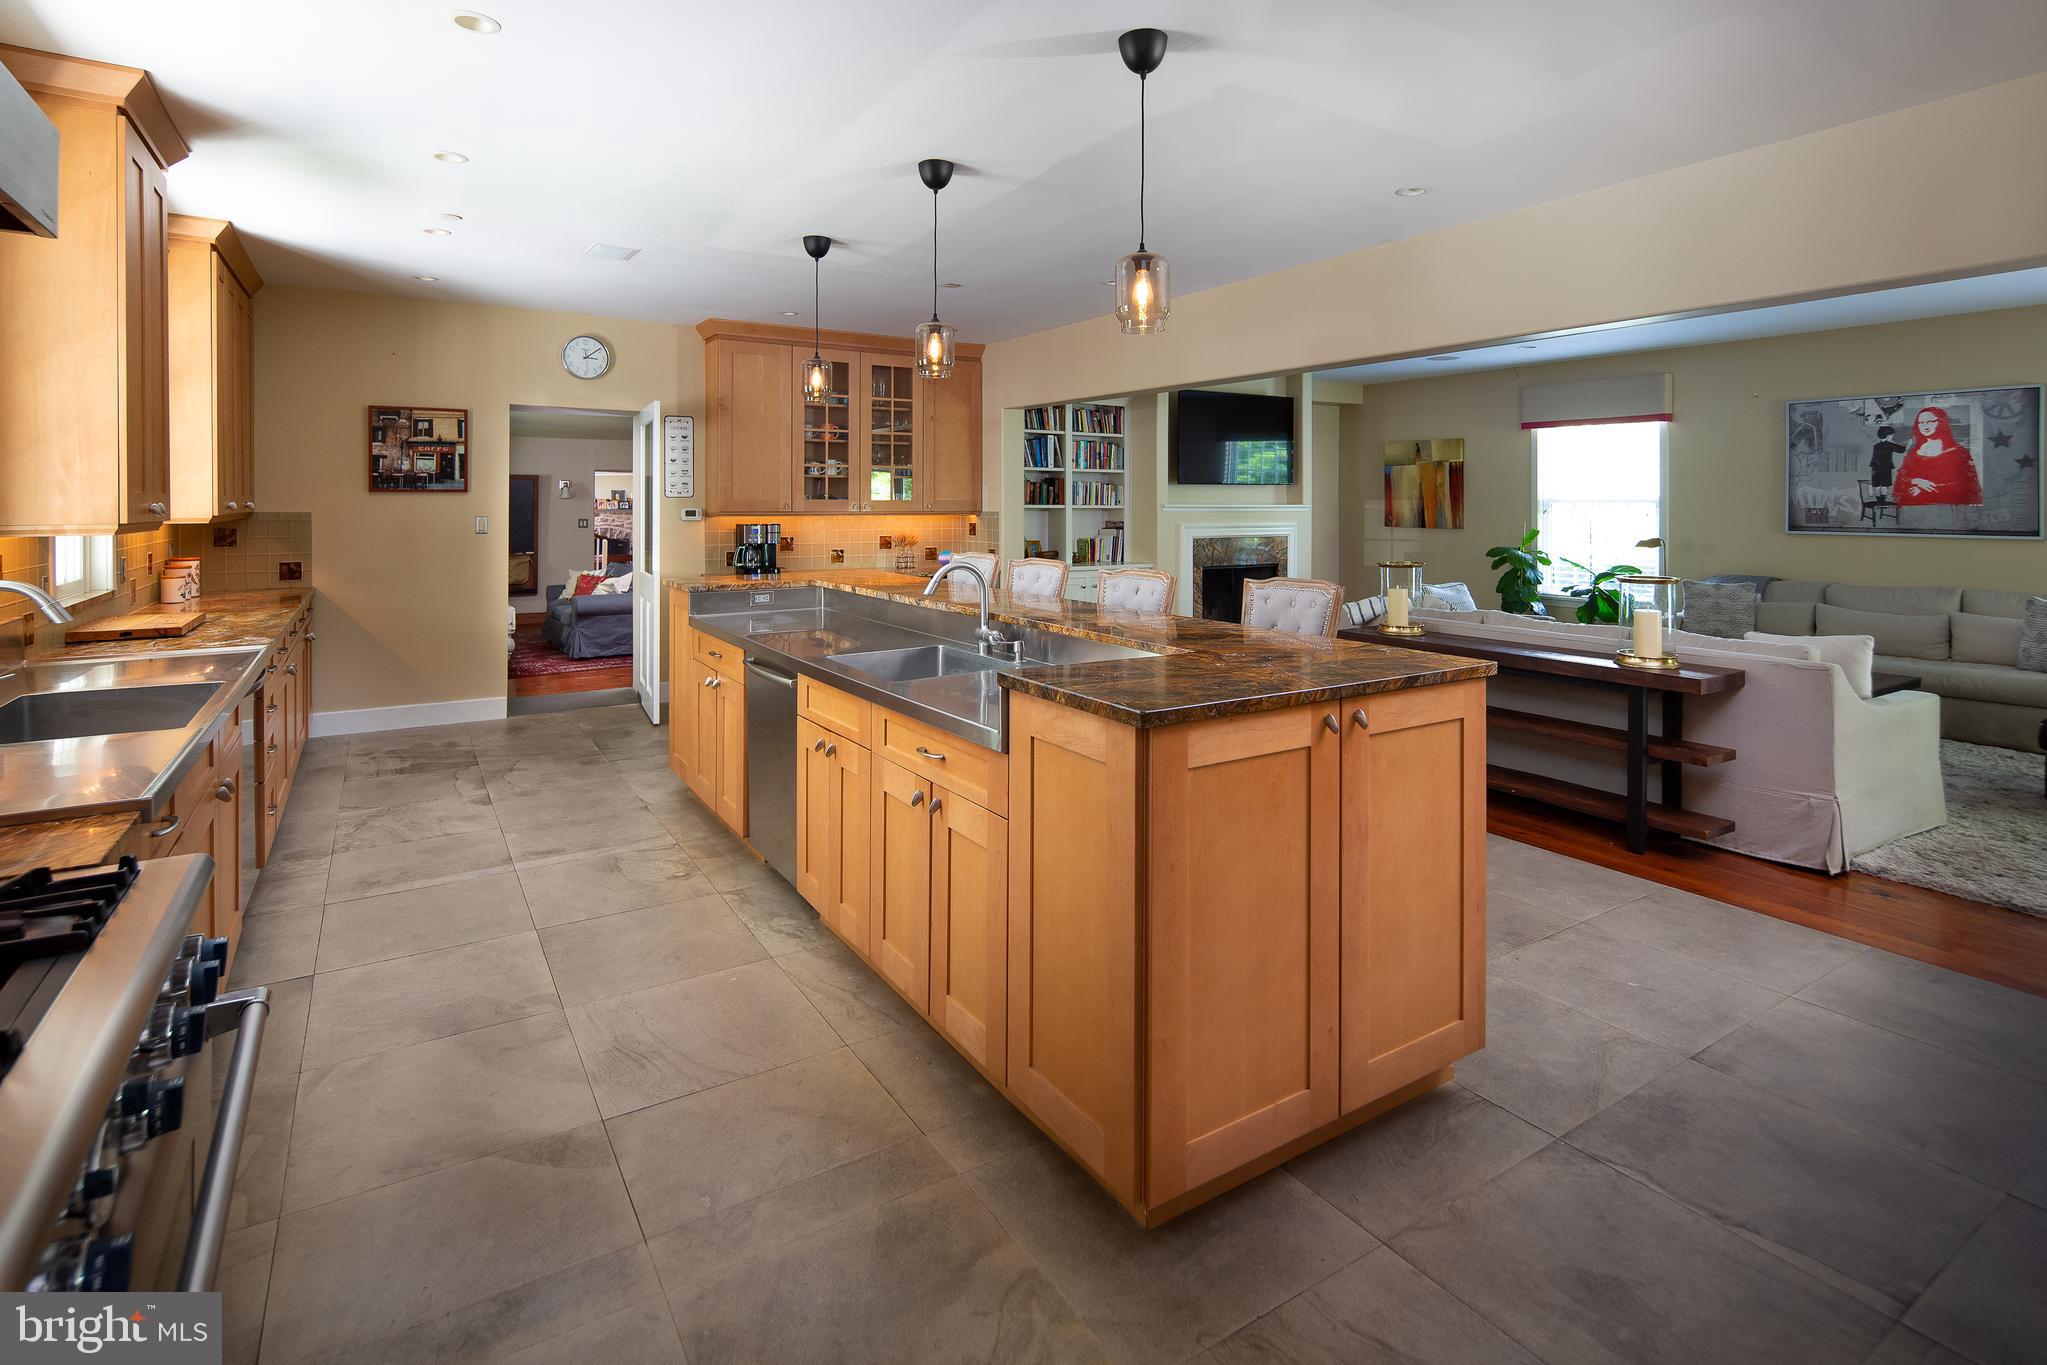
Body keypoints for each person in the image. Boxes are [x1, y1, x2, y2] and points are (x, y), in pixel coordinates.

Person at [1891, 406, 1983, 506]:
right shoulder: (1913, 454)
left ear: (1941, 422)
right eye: (1921, 423)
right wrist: (1916, 481)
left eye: (1930, 421)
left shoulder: (1959, 453)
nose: (1925, 426)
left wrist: (1925, 490)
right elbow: (1900, 480)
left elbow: (1968, 486)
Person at [1868, 425, 1905, 492]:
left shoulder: (1876, 446)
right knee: (1884, 485)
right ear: (1888, 435)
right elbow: (1901, 450)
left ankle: (1878, 498)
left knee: (1877, 485)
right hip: (1885, 467)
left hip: (1875, 467)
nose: (1892, 437)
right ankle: (1883, 498)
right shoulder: (1889, 445)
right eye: (1892, 435)